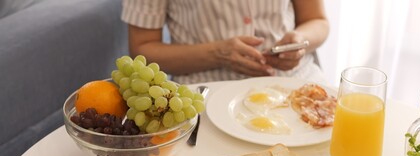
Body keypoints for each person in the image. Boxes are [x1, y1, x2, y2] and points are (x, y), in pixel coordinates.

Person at [121, 0, 329, 84]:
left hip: (295, 82)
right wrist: (217, 54)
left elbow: (317, 20)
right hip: (204, 94)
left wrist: (300, 41)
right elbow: (142, 48)